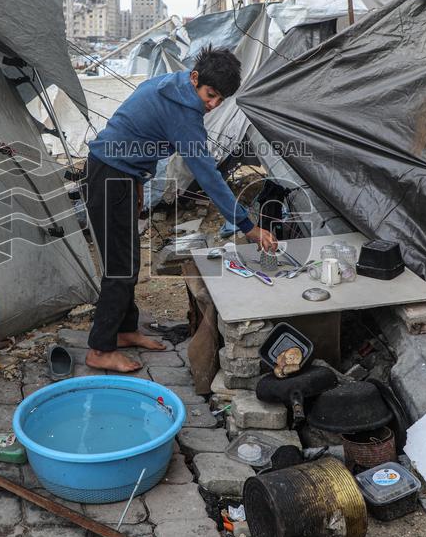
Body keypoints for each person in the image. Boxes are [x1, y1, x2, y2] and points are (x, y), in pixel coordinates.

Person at [83, 46, 279, 373]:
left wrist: (137, 184)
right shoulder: (184, 115)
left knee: (127, 257)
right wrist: (248, 227)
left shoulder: (167, 83)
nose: (213, 105)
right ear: (195, 78)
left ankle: (125, 330)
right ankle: (100, 349)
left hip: (119, 173)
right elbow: (208, 176)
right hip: (109, 176)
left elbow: (133, 132)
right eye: (210, 94)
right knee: (121, 266)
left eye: (220, 100)